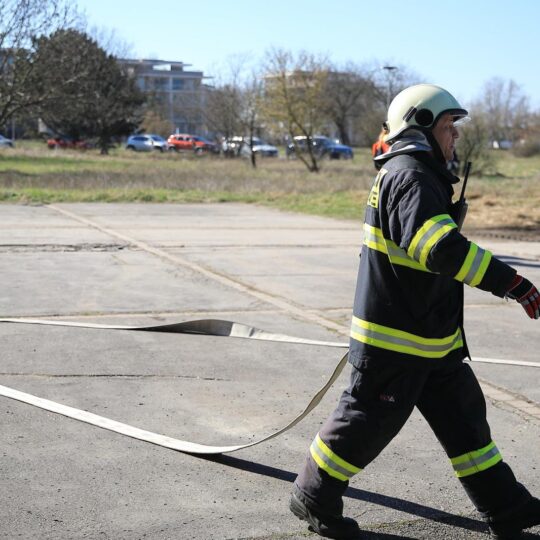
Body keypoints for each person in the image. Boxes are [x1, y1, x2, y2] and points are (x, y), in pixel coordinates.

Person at [289, 84, 540, 540]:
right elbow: (439, 248)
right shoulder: (410, 177)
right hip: (395, 341)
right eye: (449, 127)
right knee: (363, 426)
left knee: (466, 423)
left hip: (430, 338)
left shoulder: (419, 175)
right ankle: (313, 495)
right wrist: (512, 282)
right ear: (421, 126)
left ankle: (507, 507)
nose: (455, 138)